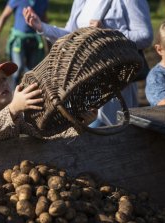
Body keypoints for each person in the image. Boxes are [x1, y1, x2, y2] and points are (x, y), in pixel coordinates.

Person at [23, 0, 154, 127]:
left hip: (117, 82)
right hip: (84, 82)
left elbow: (145, 36)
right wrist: (42, 27)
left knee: (114, 134)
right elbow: (72, 35)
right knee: (87, 132)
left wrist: (105, 33)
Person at [0, 58, 96, 145]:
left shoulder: (17, 118)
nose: (4, 83)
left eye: (4, 79)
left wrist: (79, 124)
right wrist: (13, 108)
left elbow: (45, 134)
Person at [0, 0, 48, 88]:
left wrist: (48, 40)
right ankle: (12, 94)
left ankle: (30, 95)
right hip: (18, 41)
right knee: (17, 68)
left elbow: (44, 20)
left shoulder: (43, 1)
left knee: (33, 71)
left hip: (34, 40)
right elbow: (3, 17)